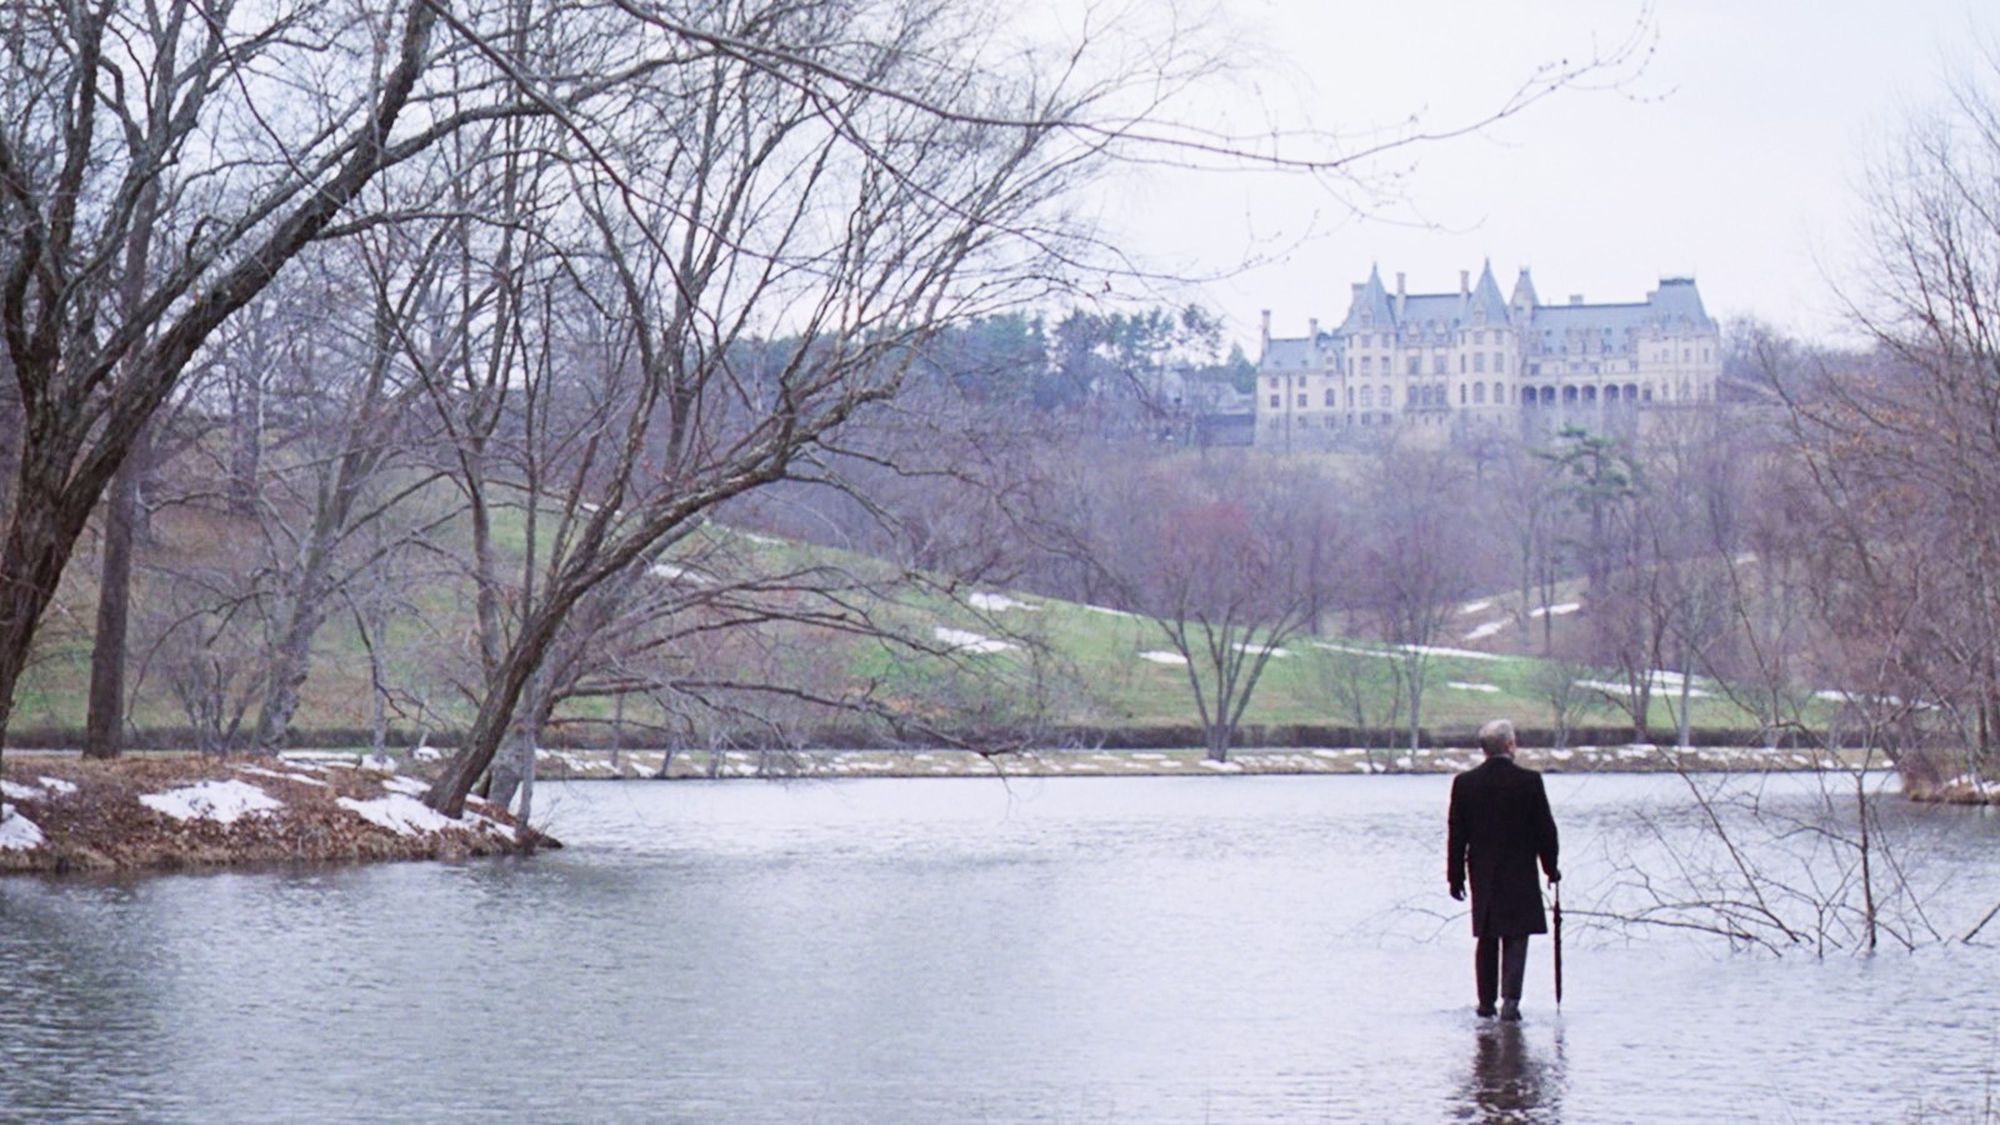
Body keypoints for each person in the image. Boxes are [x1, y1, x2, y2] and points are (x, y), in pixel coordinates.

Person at [1447, 718, 1560, 1020]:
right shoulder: (1529, 781)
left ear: (1484, 750)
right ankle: (1510, 1002)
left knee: (1487, 936)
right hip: (1520, 872)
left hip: (1483, 873)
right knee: (1516, 936)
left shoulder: (1465, 784)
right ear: (1510, 745)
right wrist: (1551, 869)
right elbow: (1545, 831)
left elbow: (1457, 836)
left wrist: (1455, 877)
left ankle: (1485, 1005)